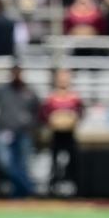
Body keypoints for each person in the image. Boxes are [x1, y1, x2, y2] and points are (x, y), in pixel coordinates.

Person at [0, 65, 41, 199]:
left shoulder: (29, 91)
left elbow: (39, 111)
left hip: (24, 133)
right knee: (5, 163)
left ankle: (18, 194)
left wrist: (32, 125)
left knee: (22, 164)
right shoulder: (3, 91)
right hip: (5, 132)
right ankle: (29, 188)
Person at [41, 69, 84, 198]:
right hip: (56, 134)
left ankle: (75, 189)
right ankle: (52, 189)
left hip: (69, 134)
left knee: (73, 162)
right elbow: (44, 114)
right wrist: (53, 121)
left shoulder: (74, 97)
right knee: (55, 162)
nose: (63, 80)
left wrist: (72, 119)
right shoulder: (51, 98)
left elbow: (80, 113)